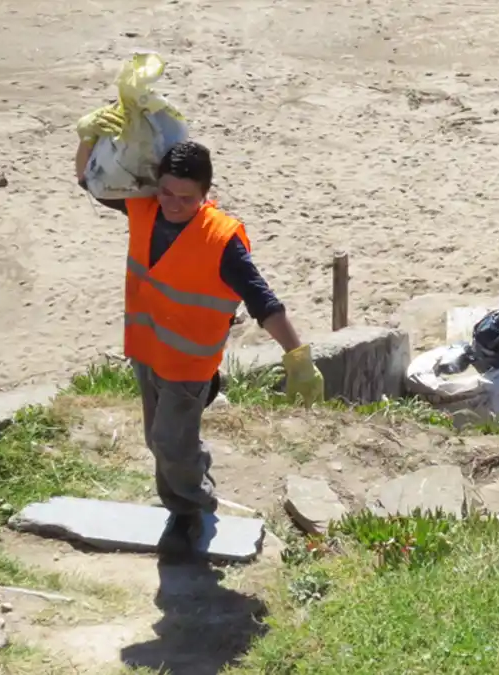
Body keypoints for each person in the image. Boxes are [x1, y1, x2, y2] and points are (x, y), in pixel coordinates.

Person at [74, 116, 325, 555]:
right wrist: (88, 137)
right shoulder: (144, 205)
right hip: (147, 350)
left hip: (189, 365)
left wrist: (297, 355)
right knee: (160, 438)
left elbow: (262, 300)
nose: (171, 204)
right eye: (166, 191)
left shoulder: (222, 241)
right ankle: (193, 475)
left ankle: (190, 510)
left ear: (206, 195)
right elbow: (88, 180)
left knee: (170, 442)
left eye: (185, 198)